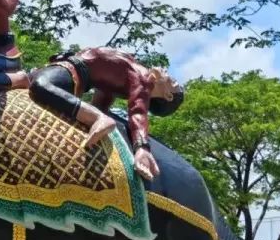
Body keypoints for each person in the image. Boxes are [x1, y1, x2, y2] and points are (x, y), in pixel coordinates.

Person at [28, 47, 184, 180]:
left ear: (168, 95)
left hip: (73, 71)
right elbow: (105, 91)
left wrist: (142, 147)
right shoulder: (131, 75)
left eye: (173, 83)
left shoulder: (143, 80)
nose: (167, 72)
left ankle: (98, 119)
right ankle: (97, 115)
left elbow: (138, 112)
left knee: (40, 85)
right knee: (24, 78)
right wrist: (100, 108)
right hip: (65, 67)